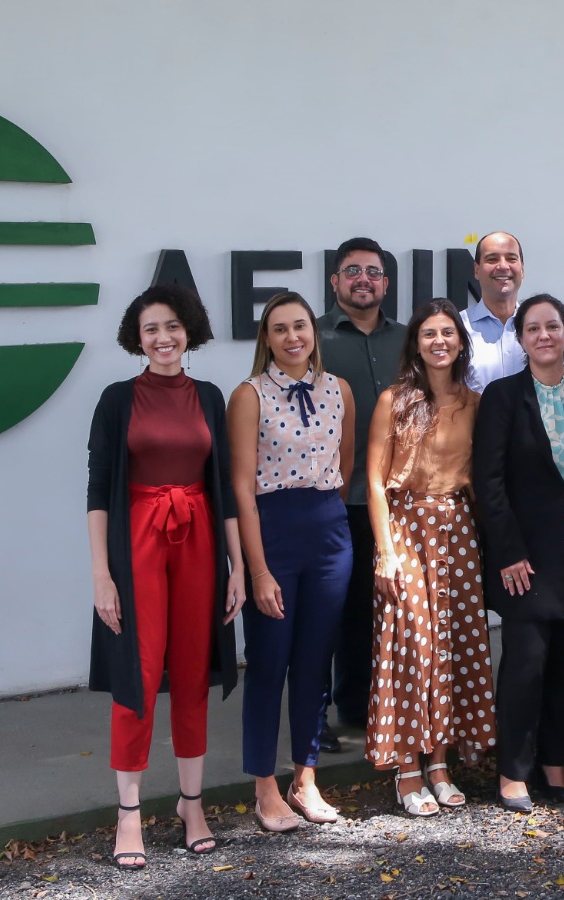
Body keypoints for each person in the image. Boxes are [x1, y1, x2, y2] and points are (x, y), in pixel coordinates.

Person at [85, 284, 244, 868]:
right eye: (152, 328)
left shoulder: (209, 397)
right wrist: (102, 576)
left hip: (200, 540)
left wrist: (238, 569)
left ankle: (191, 804)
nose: (163, 338)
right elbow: (98, 491)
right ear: (138, 337)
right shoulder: (116, 399)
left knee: (193, 671)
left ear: (189, 331)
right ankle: (128, 813)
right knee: (140, 670)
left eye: (173, 326)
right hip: (138, 544)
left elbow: (224, 487)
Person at [228, 292, 357, 830]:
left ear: (314, 331)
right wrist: (257, 570)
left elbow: (344, 465)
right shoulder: (249, 394)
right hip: (273, 535)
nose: (292, 337)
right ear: (267, 339)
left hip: (329, 533)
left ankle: (305, 778)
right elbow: (240, 484)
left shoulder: (338, 390)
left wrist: (323, 517)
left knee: (314, 662)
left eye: (299, 326)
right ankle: (264, 787)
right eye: (279, 329)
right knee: (269, 663)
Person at [365, 299, 494, 817]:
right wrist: (387, 553)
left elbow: (483, 480)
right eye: (428, 334)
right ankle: (408, 766)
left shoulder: (475, 402)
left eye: (448, 333)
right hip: (406, 527)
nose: (439, 341)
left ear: (461, 343)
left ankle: (440, 763)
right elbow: (374, 480)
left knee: (454, 644)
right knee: (412, 646)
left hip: (458, 530)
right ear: (415, 344)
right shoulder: (393, 400)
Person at [474, 294, 564, 813]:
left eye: (553, 326)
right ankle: (513, 771)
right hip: (524, 556)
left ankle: (553, 761)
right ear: (521, 340)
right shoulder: (503, 396)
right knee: (526, 662)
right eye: (533, 328)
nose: (544, 335)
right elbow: (489, 481)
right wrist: (508, 552)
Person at [317, 237, 407, 752]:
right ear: (335, 282)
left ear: (385, 283)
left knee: (387, 609)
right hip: (339, 496)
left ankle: (373, 705)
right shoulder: (318, 339)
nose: (363, 280)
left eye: (372, 272)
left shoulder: (407, 339)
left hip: (398, 499)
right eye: (352, 271)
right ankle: (324, 714)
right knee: (336, 611)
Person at [463, 231, 527, 393]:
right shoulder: (458, 328)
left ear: (522, 269)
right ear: (476, 270)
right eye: (492, 259)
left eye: (512, 259)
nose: (503, 266)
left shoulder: (544, 330)